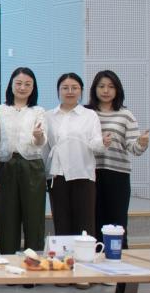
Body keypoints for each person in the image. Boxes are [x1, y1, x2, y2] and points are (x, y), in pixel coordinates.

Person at [87, 70, 149, 248]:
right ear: (94, 89)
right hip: (90, 173)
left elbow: (134, 148)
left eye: (111, 87)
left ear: (117, 90)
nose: (106, 90)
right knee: (93, 220)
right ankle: (93, 259)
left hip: (117, 174)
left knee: (117, 221)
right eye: (101, 86)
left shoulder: (125, 115)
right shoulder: (86, 113)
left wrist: (141, 143)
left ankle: (119, 259)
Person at [0, 67, 47, 255]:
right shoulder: (0, 110)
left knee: (34, 217)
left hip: (32, 166)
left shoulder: (38, 111)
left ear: (33, 87)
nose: (22, 88)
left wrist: (38, 136)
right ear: (11, 85)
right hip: (7, 166)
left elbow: (41, 142)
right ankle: (7, 258)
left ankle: (34, 260)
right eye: (19, 83)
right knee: (7, 217)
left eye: (27, 84)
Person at [46, 73, 107, 239]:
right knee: (61, 221)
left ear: (81, 91)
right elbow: (45, 147)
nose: (70, 91)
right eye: (65, 88)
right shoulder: (49, 116)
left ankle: (85, 254)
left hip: (83, 173)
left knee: (85, 223)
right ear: (58, 91)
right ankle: (64, 255)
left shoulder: (89, 115)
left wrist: (103, 143)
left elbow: (95, 142)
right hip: (58, 175)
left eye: (74, 88)